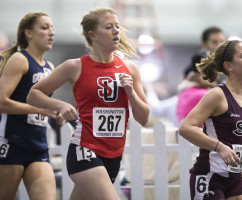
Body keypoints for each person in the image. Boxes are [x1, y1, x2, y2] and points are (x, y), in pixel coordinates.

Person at [27, 7, 150, 200]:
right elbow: (33, 94)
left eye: (117, 26)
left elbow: (143, 118)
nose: (116, 31)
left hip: (113, 154)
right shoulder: (75, 66)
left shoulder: (130, 69)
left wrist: (131, 92)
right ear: (92, 35)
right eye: (109, 27)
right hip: (84, 149)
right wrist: (59, 105)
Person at [179, 40, 242, 200]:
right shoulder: (217, 95)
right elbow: (186, 128)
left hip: (234, 178)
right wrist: (220, 147)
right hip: (210, 176)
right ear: (229, 66)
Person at [0, 12, 64, 200]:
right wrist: (40, 110)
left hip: (38, 146)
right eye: (44, 28)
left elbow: (45, 106)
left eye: (52, 28)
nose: (51, 33)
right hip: (11, 142)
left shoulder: (49, 67)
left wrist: (55, 112)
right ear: (29, 33)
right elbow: (1, 101)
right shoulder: (20, 60)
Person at [176, 27, 225, 124]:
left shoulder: (225, 71)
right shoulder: (193, 79)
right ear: (204, 45)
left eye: (222, 42)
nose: (219, 47)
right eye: (215, 42)